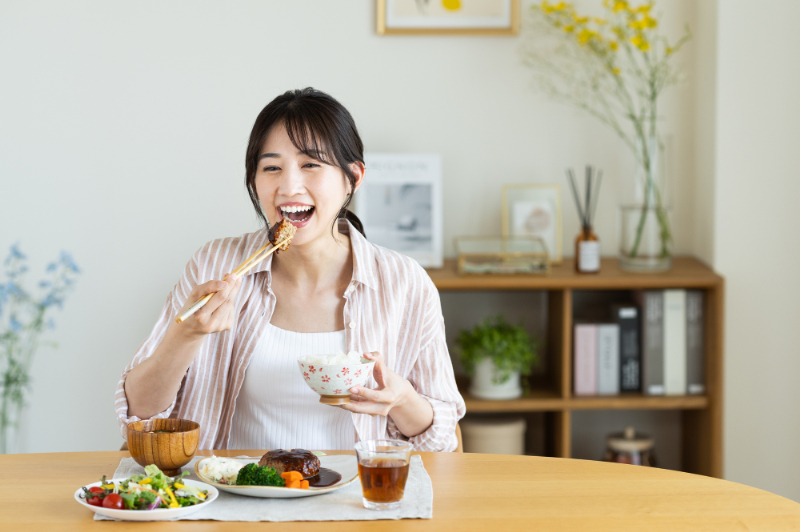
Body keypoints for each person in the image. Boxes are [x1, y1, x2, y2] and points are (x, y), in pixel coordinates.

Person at [116, 88, 465, 451]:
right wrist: (184, 336)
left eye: (311, 164)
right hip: (236, 484)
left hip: (358, 486)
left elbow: (442, 439)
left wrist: (401, 399)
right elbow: (138, 416)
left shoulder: (404, 282)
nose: (289, 186)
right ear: (254, 180)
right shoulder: (215, 264)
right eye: (271, 168)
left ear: (353, 177)